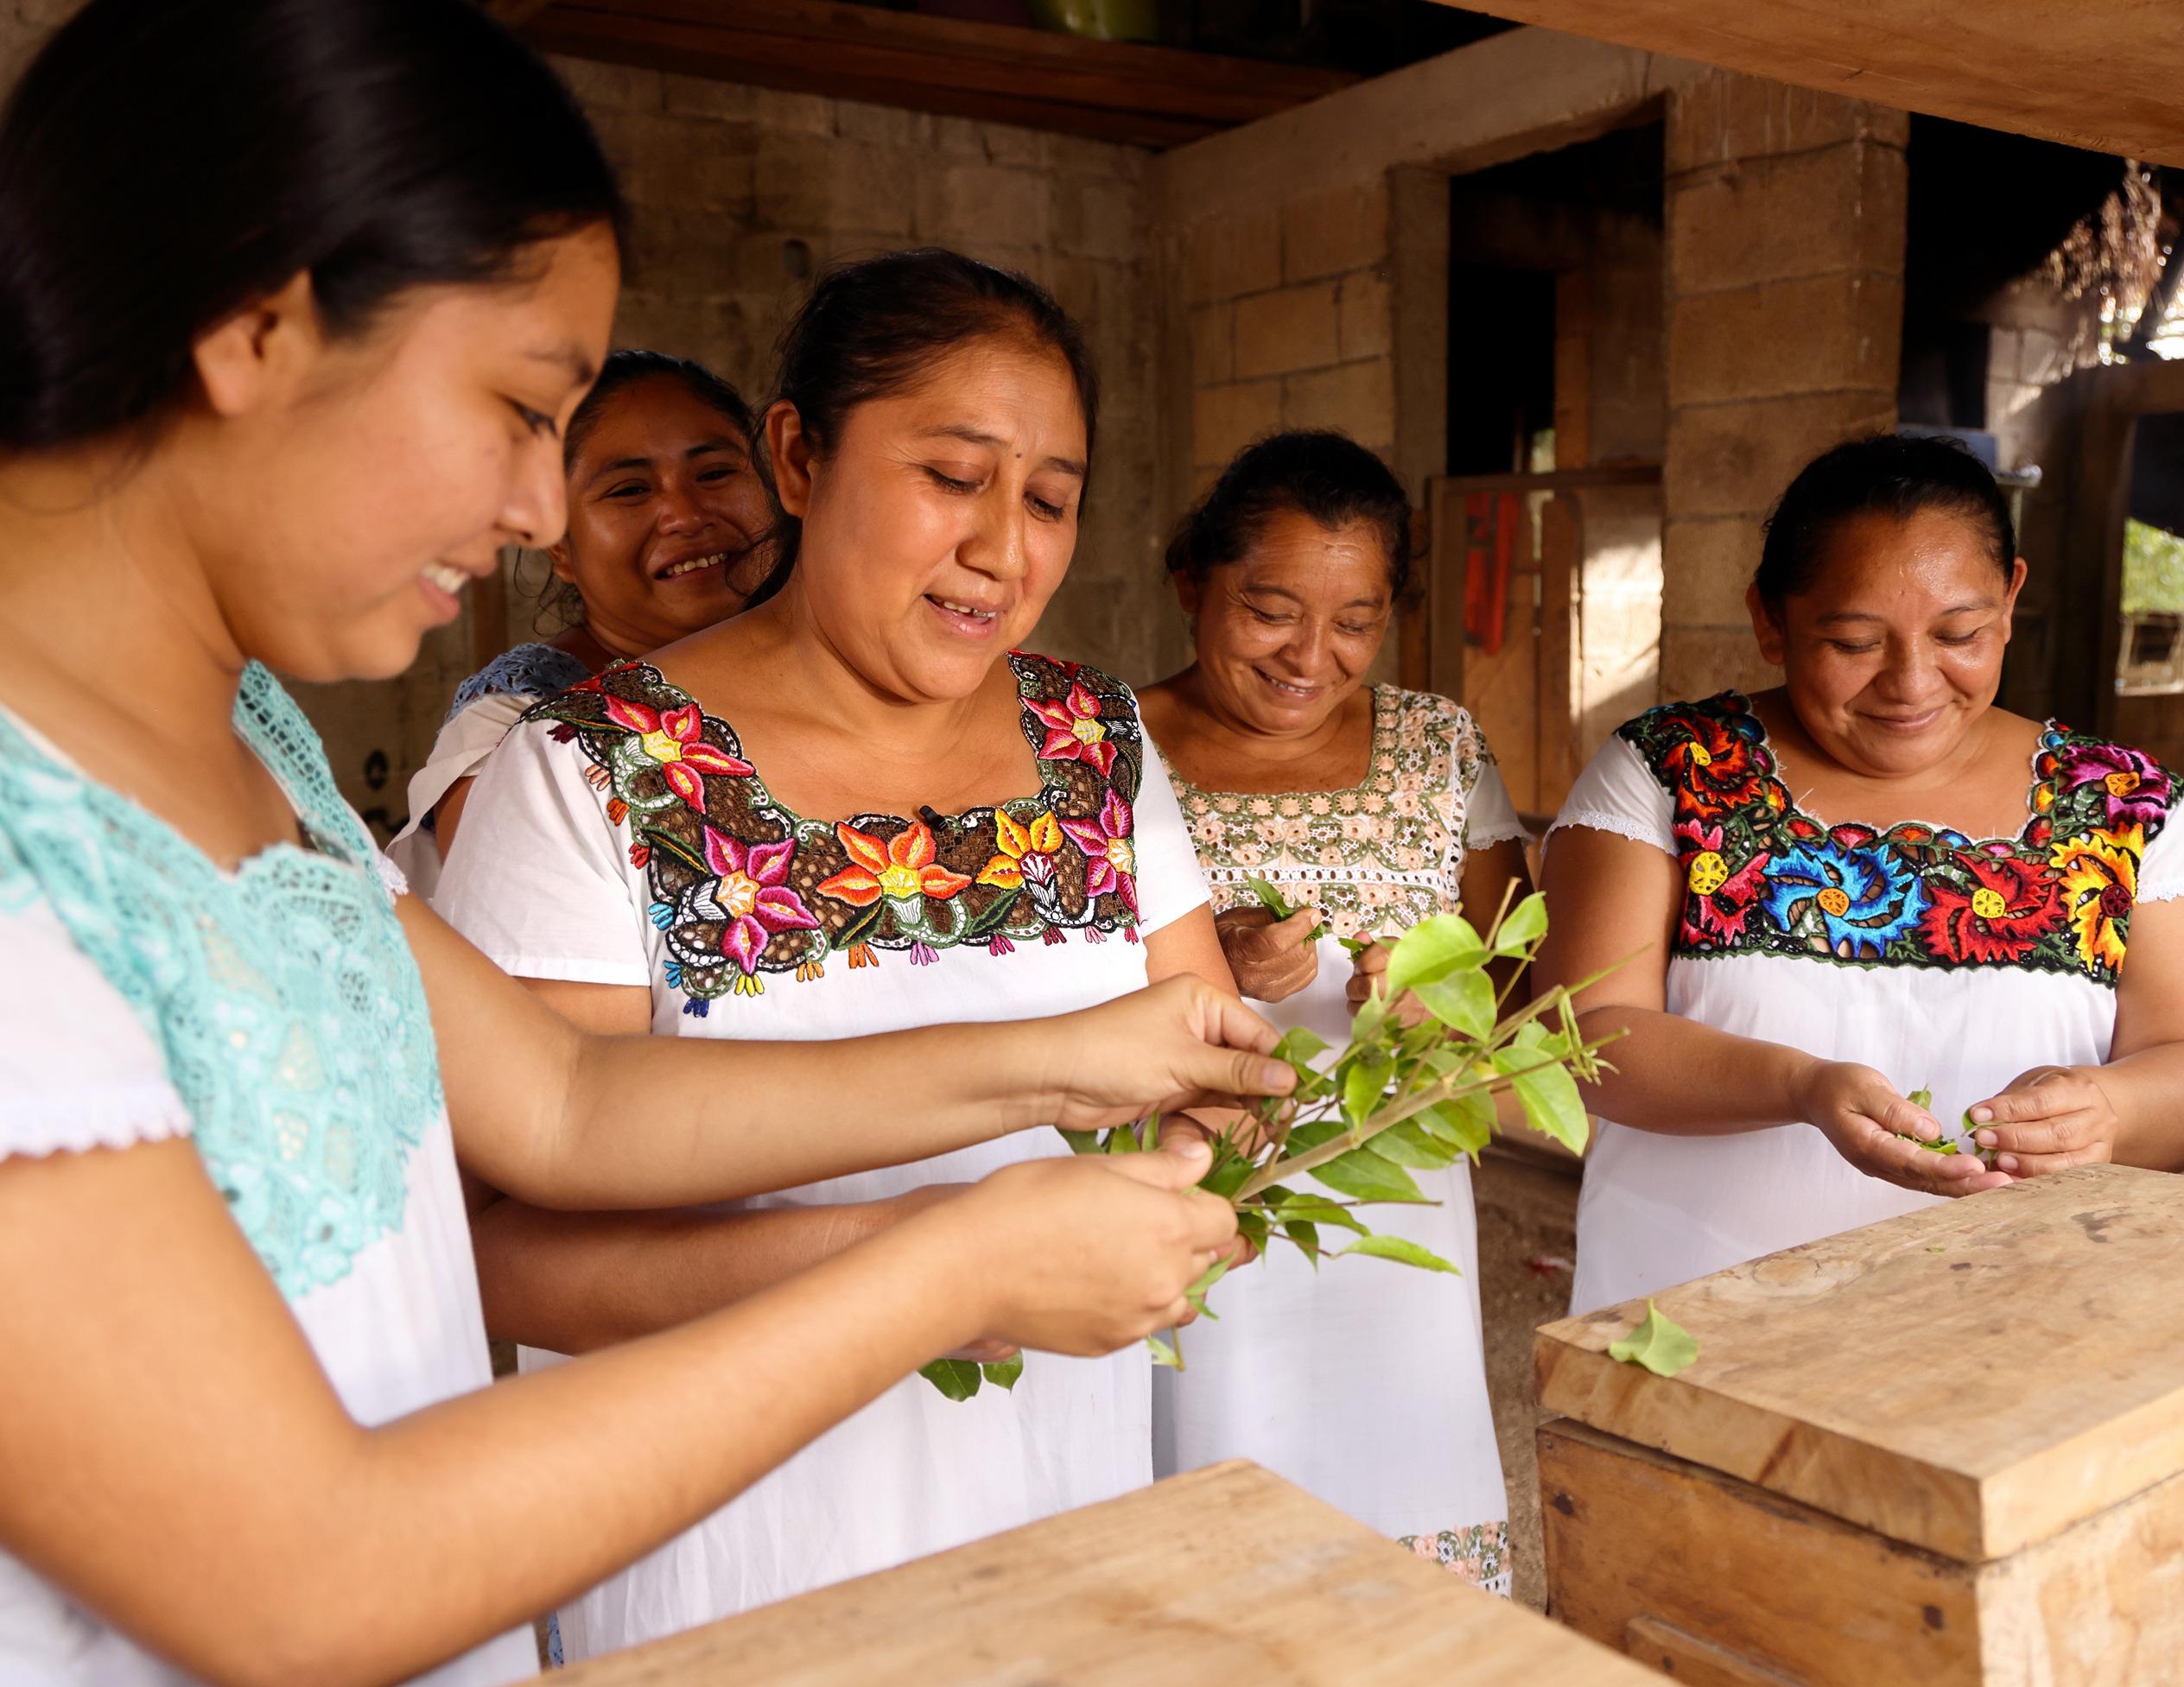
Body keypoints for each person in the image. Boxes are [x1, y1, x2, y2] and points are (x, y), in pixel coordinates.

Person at [0, 8, 1290, 1684]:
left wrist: (1059, 1056)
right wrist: (949, 1258)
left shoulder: (254, 743)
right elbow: (301, 1581)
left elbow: (563, 1097)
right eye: (523, 408)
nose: (548, 511)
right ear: (259, 327)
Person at [434, 246, 1254, 1661]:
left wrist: (1212, 1134)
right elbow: (501, 1253)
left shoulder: (1097, 743)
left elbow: (1208, 1079)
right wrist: (950, 1266)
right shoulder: (588, 771)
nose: (1004, 546)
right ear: (800, 456)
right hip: (732, 1562)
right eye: (953, 474)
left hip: (1062, 1519)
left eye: (1049, 497)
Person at [1536, 433, 2184, 1316]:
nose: (1911, 682)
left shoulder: (2120, 804)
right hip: (1690, 1323)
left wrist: (2110, 1111)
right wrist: (1798, 1088)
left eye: (1959, 632)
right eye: (1852, 641)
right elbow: (1584, 1039)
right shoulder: (1670, 771)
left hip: (2016, 1334)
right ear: (1771, 619)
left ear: (2010, 601)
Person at [1133, 430, 1530, 1596]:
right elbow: (1033, 981)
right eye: (1270, 609)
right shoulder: (1105, 745)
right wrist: (1205, 963)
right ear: (1191, 582)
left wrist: (1433, 987)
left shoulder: (1441, 747)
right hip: (1191, 1191)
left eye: (1355, 620)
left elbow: (1511, 981)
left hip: (1398, 1202)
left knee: (1402, 1511)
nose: (1313, 654)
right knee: (1212, 1499)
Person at [390, 350, 776, 896]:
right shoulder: (515, 725)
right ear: (559, 546)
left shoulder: (845, 678)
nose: (687, 515)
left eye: (715, 474)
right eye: (630, 490)